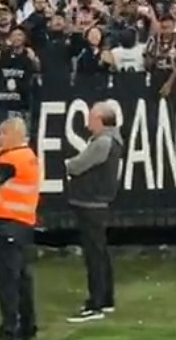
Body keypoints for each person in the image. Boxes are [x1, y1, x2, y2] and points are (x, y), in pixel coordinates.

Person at [64, 100, 124, 323]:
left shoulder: (102, 143)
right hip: (96, 203)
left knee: (94, 255)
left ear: (100, 120)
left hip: (91, 203)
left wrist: (68, 163)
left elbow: (77, 165)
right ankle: (106, 299)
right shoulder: (110, 140)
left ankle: (96, 303)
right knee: (100, 252)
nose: (87, 121)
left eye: (90, 117)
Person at [0, 116, 40, 340]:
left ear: (15, 134)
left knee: (7, 281)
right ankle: (28, 326)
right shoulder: (29, 156)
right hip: (23, 223)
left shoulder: (11, 159)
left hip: (7, 224)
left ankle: (9, 330)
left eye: (2, 133)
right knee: (23, 278)